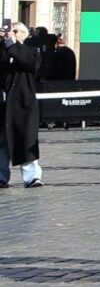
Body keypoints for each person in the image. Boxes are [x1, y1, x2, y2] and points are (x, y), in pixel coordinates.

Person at [0, 25, 40, 187]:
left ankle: (32, 176)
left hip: (23, 103)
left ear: (24, 34)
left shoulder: (31, 51)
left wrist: (13, 46)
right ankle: (1, 176)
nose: (12, 34)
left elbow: (30, 64)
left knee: (26, 139)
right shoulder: (4, 52)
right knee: (2, 142)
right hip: (4, 103)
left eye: (15, 31)